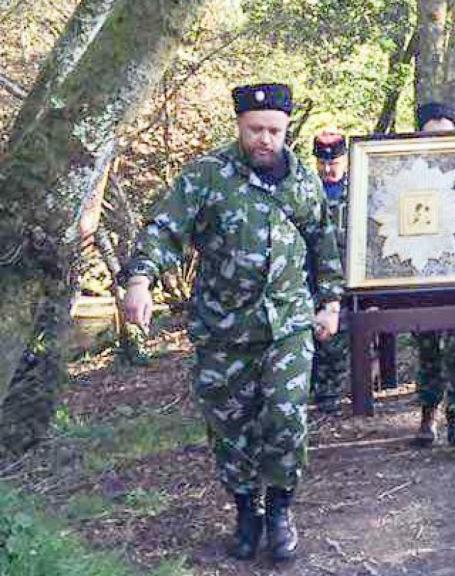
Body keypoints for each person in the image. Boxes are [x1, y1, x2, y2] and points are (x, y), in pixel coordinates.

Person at [122, 83, 344, 563]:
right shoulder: (206, 177)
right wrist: (140, 278)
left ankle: (281, 509)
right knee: (231, 430)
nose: (265, 139)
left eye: (274, 131)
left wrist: (330, 301)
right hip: (223, 331)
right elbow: (165, 229)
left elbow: (323, 243)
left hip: (287, 325)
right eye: (255, 130)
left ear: (287, 129)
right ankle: (247, 512)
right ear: (239, 126)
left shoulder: (303, 182)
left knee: (286, 417)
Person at [410, 101, 455, 449]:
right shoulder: (405, 171)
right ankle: (427, 414)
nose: (439, 143)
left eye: (446, 136)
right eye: (432, 136)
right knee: (426, 348)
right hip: (417, 277)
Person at [310, 130, 350, 415]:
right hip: (311, 271)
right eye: (322, 163)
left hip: (348, 272)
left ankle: (330, 392)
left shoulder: (358, 187)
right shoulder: (307, 190)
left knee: (338, 334)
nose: (328, 169)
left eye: (334, 162)